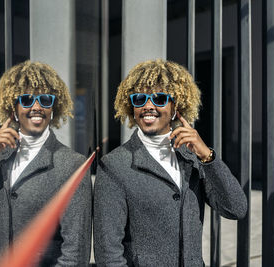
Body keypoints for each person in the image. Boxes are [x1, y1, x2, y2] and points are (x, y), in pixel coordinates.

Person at [93, 59, 247, 266]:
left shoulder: (192, 156)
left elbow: (236, 208)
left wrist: (207, 157)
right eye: (139, 99)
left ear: (176, 106)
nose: (148, 106)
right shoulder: (114, 165)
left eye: (159, 98)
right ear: (132, 107)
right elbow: (108, 251)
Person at [0, 61, 91, 266]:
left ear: (52, 109)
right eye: (27, 100)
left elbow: (75, 251)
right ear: (14, 110)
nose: (36, 107)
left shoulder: (72, 164)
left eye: (45, 100)